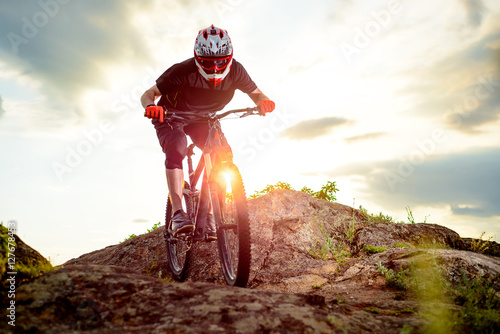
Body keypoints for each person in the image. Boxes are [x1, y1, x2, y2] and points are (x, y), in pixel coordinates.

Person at [140, 24, 275, 241]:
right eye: (208, 63)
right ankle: (177, 214)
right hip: (171, 115)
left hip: (203, 119)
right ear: (197, 57)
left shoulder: (237, 71)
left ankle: (212, 215)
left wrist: (264, 102)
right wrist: (150, 107)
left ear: (229, 57)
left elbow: (258, 95)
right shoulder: (182, 70)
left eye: (221, 62)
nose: (214, 68)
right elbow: (149, 93)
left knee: (223, 154)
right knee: (177, 146)